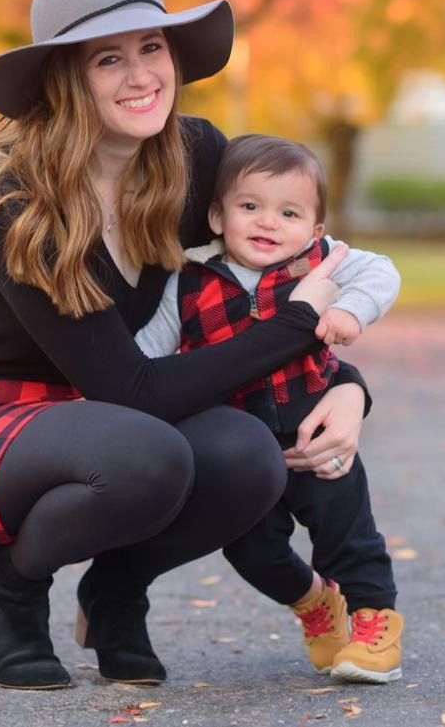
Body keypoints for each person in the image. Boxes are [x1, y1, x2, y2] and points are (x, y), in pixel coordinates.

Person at [0, 0, 372, 690]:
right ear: (66, 77)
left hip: (119, 412)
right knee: (148, 452)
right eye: (108, 59)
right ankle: (13, 586)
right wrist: (293, 328)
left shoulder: (191, 156)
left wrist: (346, 384)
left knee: (247, 452)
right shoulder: (13, 198)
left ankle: (115, 590)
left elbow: (278, 274)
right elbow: (133, 390)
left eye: (151, 47)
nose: (141, 75)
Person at [134, 133, 405, 684]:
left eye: (289, 212)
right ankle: (312, 604)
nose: (268, 223)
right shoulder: (188, 281)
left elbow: (383, 274)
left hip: (314, 432)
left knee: (347, 534)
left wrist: (351, 311)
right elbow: (149, 353)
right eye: (249, 206)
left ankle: (374, 628)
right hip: (242, 454)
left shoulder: (323, 263)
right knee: (250, 550)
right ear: (217, 215)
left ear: (315, 229)